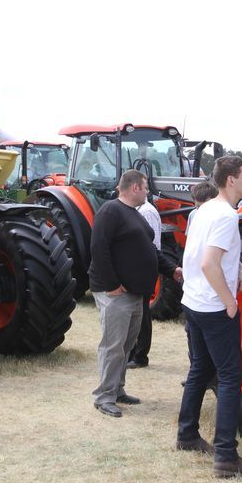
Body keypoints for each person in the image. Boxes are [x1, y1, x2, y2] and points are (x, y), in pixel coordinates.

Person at [175, 156, 242, 477]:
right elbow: (210, 263)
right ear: (230, 181)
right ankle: (226, 456)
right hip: (213, 306)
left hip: (193, 302)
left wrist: (239, 271)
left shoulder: (204, 209)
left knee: (200, 368)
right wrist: (230, 302)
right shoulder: (226, 215)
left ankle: (186, 434)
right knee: (230, 378)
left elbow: (198, 253)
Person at [89, 169, 180, 418]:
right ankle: (104, 397)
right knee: (113, 345)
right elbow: (98, 247)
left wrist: (172, 271)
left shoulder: (135, 214)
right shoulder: (110, 210)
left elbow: (150, 250)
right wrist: (111, 284)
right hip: (116, 293)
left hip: (136, 293)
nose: (148, 192)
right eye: (146, 187)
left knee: (127, 345)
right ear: (135, 188)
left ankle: (117, 390)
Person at [127, 197, 182, 369]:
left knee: (142, 314)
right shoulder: (137, 210)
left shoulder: (146, 212)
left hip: (143, 265)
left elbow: (150, 244)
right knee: (135, 312)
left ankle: (140, 356)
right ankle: (132, 352)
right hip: (138, 265)